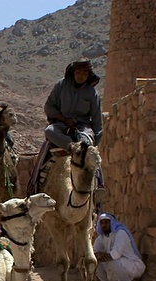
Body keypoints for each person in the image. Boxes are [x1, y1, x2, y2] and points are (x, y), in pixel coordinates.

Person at [43, 58, 106, 200]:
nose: (81, 75)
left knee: (88, 148)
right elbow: (49, 107)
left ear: (88, 75)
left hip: (83, 127)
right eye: (78, 72)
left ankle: (99, 186)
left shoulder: (92, 93)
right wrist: (63, 119)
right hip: (62, 124)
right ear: (73, 72)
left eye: (84, 73)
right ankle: (35, 183)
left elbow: (97, 119)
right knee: (49, 131)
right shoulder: (61, 85)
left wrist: (96, 140)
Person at [93, 213, 145, 281]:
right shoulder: (101, 238)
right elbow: (94, 252)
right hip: (116, 263)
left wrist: (101, 256)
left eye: (106, 222)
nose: (104, 225)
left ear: (112, 222)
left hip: (132, 264)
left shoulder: (121, 233)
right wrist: (98, 255)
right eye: (102, 223)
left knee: (114, 261)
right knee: (95, 266)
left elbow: (116, 254)